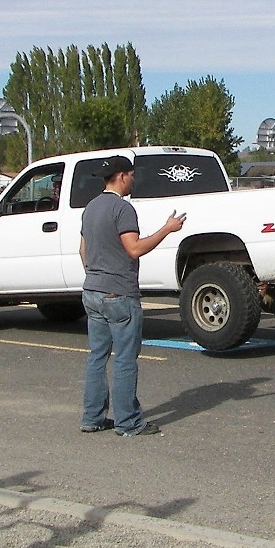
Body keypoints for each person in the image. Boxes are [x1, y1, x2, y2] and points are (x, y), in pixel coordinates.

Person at [79, 156, 186, 436]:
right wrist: (167, 229)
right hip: (119, 292)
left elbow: (83, 251)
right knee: (125, 358)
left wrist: (96, 274)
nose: (134, 180)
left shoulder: (90, 208)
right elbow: (134, 248)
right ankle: (128, 422)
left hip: (92, 289)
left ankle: (92, 418)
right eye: (132, 175)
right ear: (122, 176)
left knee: (97, 356)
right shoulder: (123, 208)